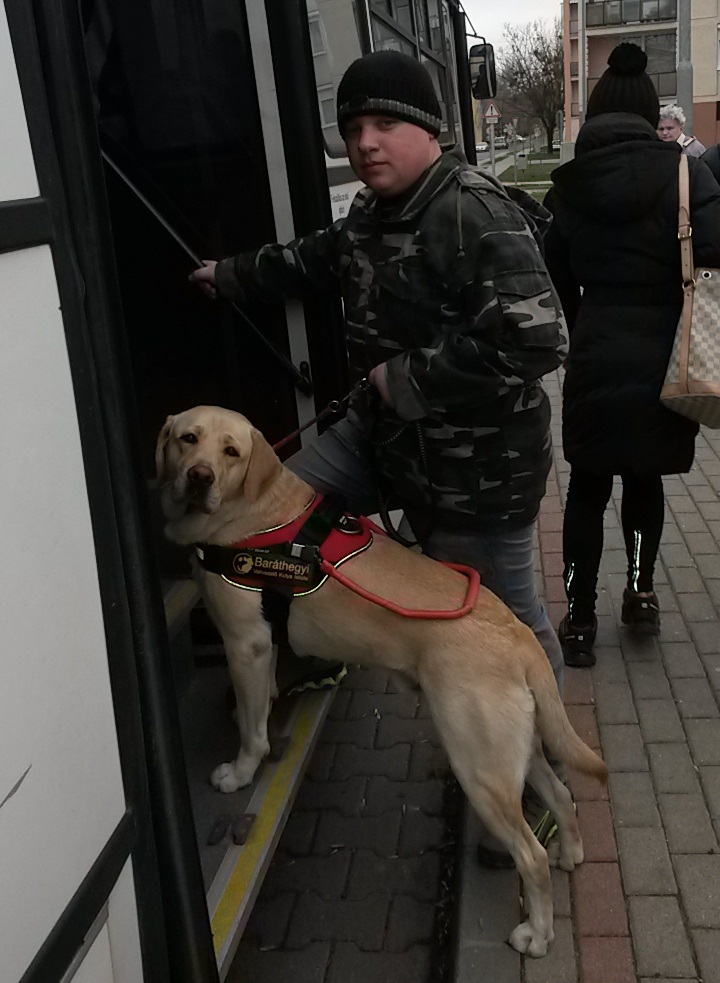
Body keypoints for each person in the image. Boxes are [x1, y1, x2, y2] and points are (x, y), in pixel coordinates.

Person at [190, 50, 569, 858]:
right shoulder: (372, 212)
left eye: (385, 124)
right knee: (271, 510)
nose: (365, 141)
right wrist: (227, 275)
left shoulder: (472, 210)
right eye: (354, 126)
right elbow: (312, 260)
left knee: (500, 628)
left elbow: (540, 340)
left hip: (478, 472)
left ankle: (530, 784)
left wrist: (407, 378)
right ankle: (306, 642)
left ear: (427, 130)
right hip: (387, 444)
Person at [543, 43, 720, 667]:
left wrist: (580, 312)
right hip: (665, 350)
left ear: (593, 115)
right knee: (644, 478)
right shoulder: (685, 173)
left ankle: (580, 615)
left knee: (587, 486)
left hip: (596, 346)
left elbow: (553, 260)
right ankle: (641, 595)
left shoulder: (571, 182)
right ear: (651, 114)